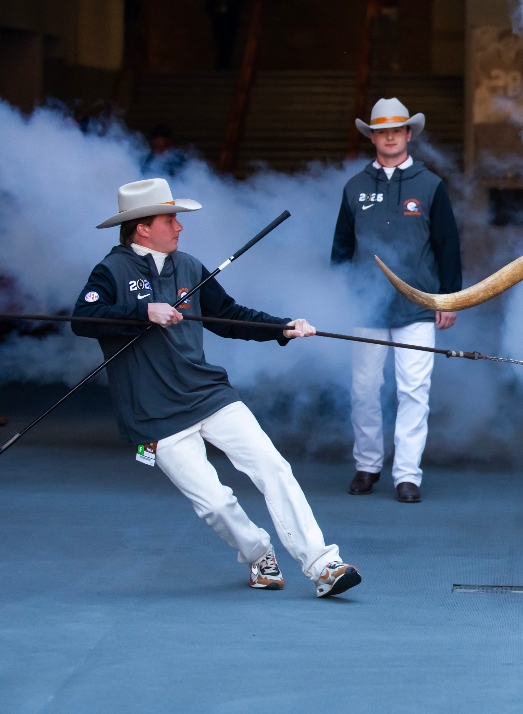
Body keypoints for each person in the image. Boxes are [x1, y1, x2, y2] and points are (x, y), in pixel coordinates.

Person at [72, 178, 361, 598]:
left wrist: (282, 327)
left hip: (208, 393)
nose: (179, 226)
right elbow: (84, 317)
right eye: (169, 219)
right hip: (154, 413)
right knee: (215, 504)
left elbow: (228, 315)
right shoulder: (111, 269)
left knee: (273, 467)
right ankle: (258, 552)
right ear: (141, 228)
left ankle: (323, 564)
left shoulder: (188, 265)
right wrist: (142, 311)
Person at [332, 98, 462, 503]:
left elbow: (448, 246)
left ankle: (407, 475)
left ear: (408, 134)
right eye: (381, 131)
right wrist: (337, 299)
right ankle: (368, 465)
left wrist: (448, 299)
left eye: (396, 130)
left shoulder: (431, 185)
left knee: (413, 391)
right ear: (372, 136)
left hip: (418, 305)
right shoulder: (354, 186)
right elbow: (340, 250)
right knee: (364, 389)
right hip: (365, 307)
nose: (389, 137)